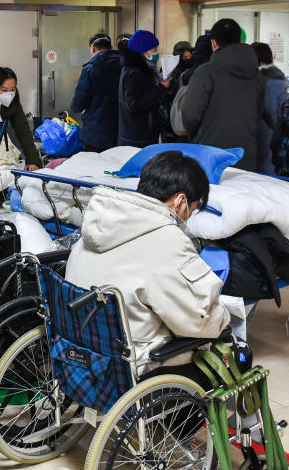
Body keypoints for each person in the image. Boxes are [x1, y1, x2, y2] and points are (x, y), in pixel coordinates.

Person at [66, 151, 230, 369]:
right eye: (192, 209)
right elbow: (196, 320)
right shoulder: (168, 240)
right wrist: (225, 319)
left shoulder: (98, 220)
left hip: (79, 351)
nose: (188, 218)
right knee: (230, 350)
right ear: (180, 201)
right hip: (130, 364)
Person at [181, 19, 262, 170]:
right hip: (247, 153)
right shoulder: (257, 75)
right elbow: (261, 113)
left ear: (213, 43)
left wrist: (197, 137)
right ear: (240, 40)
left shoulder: (206, 72)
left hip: (211, 155)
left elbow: (189, 113)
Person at [118, 29, 169, 148]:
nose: (156, 52)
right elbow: (133, 104)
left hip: (137, 133)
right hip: (137, 136)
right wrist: (160, 89)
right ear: (144, 51)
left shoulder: (139, 69)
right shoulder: (135, 73)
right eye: (154, 49)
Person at [71, 33, 122, 152]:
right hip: (121, 131)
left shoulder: (90, 69)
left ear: (93, 48)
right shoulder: (124, 65)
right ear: (111, 47)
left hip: (96, 134)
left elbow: (78, 104)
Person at [251, 42, 289, 174]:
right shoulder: (279, 82)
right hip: (272, 136)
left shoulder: (248, 81)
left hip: (252, 134)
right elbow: (282, 114)